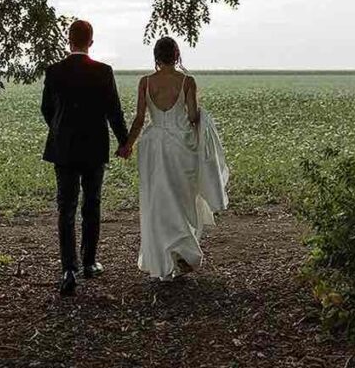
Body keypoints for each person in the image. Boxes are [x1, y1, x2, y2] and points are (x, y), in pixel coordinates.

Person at [120, 37, 230, 280]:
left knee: (158, 200)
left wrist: (128, 145)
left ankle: (164, 257)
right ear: (177, 55)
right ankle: (183, 251)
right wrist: (203, 117)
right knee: (182, 197)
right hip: (181, 145)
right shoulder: (187, 81)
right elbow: (192, 116)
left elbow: (140, 119)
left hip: (154, 145)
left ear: (156, 57)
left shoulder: (145, 82)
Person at [41, 20, 129, 296]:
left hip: (64, 149)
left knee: (65, 208)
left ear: (69, 40)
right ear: (91, 42)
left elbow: (47, 109)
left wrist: (59, 131)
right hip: (94, 148)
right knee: (92, 205)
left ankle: (68, 269)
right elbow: (113, 111)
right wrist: (124, 142)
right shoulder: (103, 72)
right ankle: (89, 263)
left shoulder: (54, 71)